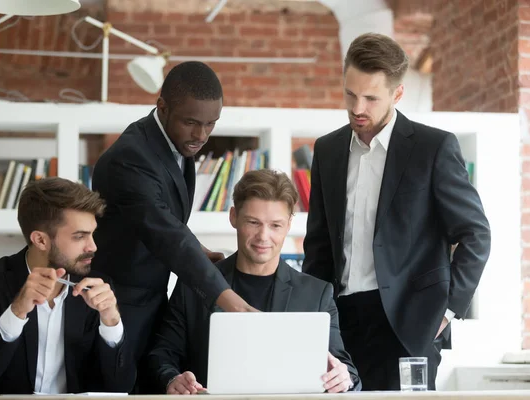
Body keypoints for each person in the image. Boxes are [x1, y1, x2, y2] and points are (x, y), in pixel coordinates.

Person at [302, 33, 491, 391]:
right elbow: (319, 248)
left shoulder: (433, 148)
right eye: (350, 94)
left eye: (371, 98)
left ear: (397, 93)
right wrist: (315, 322)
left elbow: (476, 234)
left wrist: (447, 310)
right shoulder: (327, 150)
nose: (358, 108)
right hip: (340, 325)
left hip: (409, 324)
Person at [91, 61, 255, 392]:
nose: (201, 135)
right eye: (192, 122)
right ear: (162, 107)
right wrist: (232, 304)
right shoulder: (130, 158)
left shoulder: (176, 142)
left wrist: (201, 251)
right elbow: (167, 234)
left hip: (153, 303)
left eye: (211, 124)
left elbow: (168, 219)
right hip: (116, 309)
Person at [148, 169, 361, 394]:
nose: (263, 236)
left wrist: (344, 377)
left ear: (289, 225)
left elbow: (346, 370)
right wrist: (173, 378)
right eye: (253, 222)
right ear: (233, 217)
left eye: (275, 225)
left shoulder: (317, 294)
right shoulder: (193, 284)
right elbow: (161, 354)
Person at [0, 177, 135, 395]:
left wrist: (111, 322)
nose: (93, 246)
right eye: (80, 236)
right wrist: (16, 313)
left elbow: (121, 387)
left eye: (92, 234)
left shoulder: (98, 289)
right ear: (40, 240)